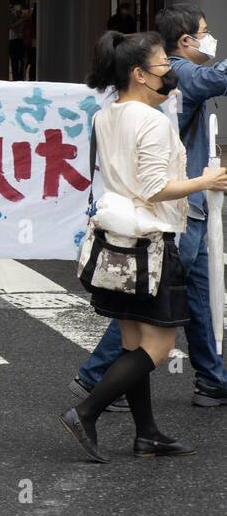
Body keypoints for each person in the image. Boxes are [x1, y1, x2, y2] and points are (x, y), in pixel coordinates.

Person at [60, 30, 227, 462]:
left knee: (134, 344)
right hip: (151, 241)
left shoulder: (107, 114)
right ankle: (86, 411)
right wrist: (206, 180)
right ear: (139, 73)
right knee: (160, 347)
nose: (171, 73)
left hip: (117, 243)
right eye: (162, 66)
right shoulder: (151, 120)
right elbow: (154, 187)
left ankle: (147, 434)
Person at [8, 4, 24, 80]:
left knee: (20, 59)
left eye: (19, 11)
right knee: (14, 60)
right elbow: (11, 26)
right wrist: (20, 21)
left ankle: (19, 76)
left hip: (19, 39)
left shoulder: (21, 16)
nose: (19, 12)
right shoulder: (11, 16)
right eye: (17, 11)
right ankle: (15, 76)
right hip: (13, 39)